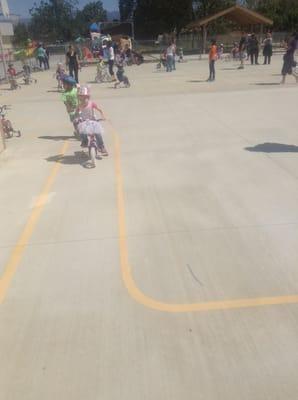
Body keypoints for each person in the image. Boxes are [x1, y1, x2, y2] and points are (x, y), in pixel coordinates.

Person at [75, 85, 108, 156]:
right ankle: (85, 141)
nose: (83, 99)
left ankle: (101, 146)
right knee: (82, 132)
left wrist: (103, 116)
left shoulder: (91, 103)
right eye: (81, 97)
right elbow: (76, 113)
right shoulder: (79, 105)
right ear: (79, 97)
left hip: (93, 121)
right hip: (84, 122)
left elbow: (99, 109)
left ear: (88, 97)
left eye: (85, 97)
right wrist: (77, 118)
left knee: (98, 133)